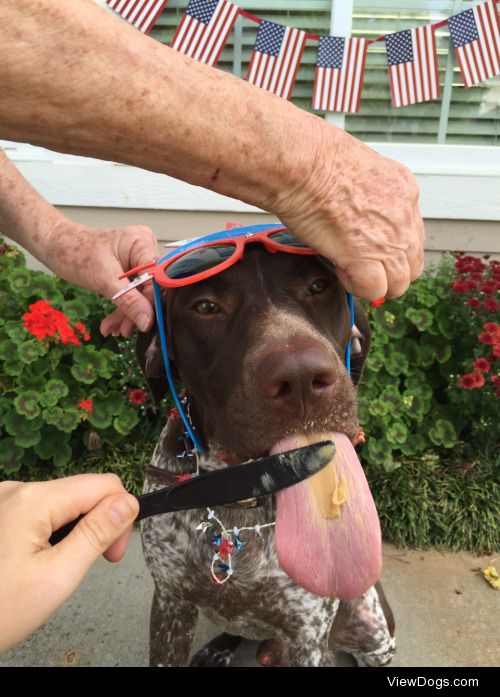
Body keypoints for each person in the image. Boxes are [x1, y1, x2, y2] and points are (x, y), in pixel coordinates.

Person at [0, 0, 425, 653]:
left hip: (314, 583)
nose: (299, 358)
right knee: (175, 594)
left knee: (364, 633)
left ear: (353, 345)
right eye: (206, 304)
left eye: (314, 289)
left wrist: (53, 234)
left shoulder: (336, 362)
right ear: (157, 363)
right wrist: (319, 170)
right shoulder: (166, 465)